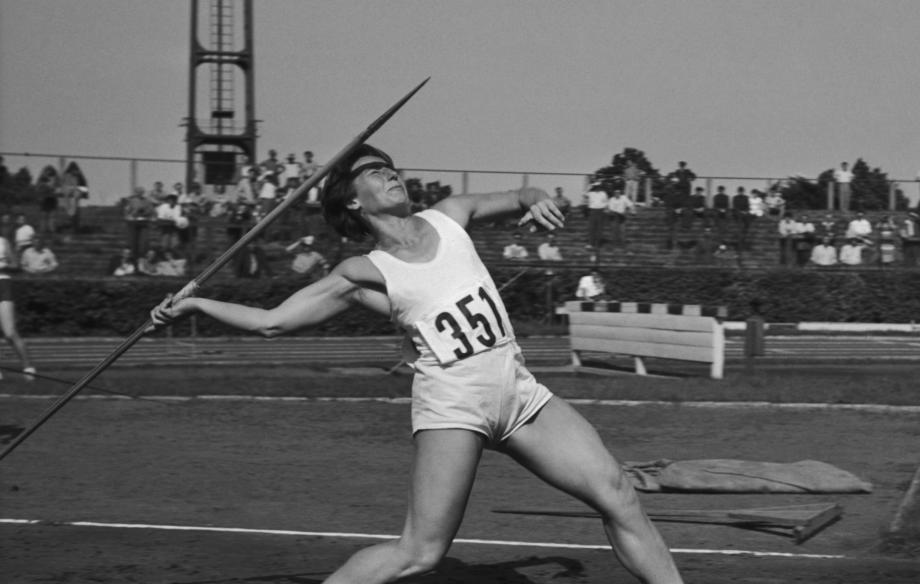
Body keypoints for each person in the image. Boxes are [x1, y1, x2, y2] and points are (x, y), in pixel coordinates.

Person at [151, 144, 681, 584]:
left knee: (618, 493)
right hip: (453, 404)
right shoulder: (363, 270)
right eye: (371, 172)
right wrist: (196, 303)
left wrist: (538, 199)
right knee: (420, 553)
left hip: (518, 390)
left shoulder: (450, 215)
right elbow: (272, 321)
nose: (388, 173)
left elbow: (523, 193)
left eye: (388, 165)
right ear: (354, 202)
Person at [0, 232, 37, 380]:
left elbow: (16, 264)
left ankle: (28, 367)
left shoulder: (3, 241)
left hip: (3, 283)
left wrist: (3, 264)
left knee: (9, 331)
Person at [124, 186, 155, 261]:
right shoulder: (131, 201)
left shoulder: (147, 201)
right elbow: (127, 211)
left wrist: (144, 212)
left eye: (141, 192)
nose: (139, 193)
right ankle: (133, 257)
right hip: (133, 222)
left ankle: (142, 257)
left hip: (144, 222)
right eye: (138, 192)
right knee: (132, 241)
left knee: (143, 241)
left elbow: (151, 211)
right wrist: (133, 213)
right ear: (135, 193)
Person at [584, 181, 609, 252]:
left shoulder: (603, 193)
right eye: (596, 186)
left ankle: (598, 244)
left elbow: (606, 202)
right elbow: (584, 194)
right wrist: (590, 186)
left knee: (599, 228)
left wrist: (605, 209)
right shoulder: (591, 193)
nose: (598, 188)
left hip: (601, 211)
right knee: (591, 228)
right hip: (592, 211)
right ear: (594, 187)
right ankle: (590, 244)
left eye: (599, 186)